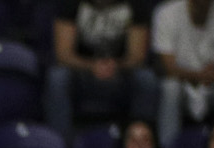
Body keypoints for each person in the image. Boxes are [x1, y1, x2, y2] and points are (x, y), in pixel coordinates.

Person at [50, 0, 160, 135]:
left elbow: (137, 57)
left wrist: (115, 65)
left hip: (120, 74)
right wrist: (93, 66)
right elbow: (63, 55)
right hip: (81, 74)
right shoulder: (70, 3)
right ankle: (59, 143)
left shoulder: (136, 4)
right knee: (57, 77)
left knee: (146, 79)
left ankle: (140, 139)